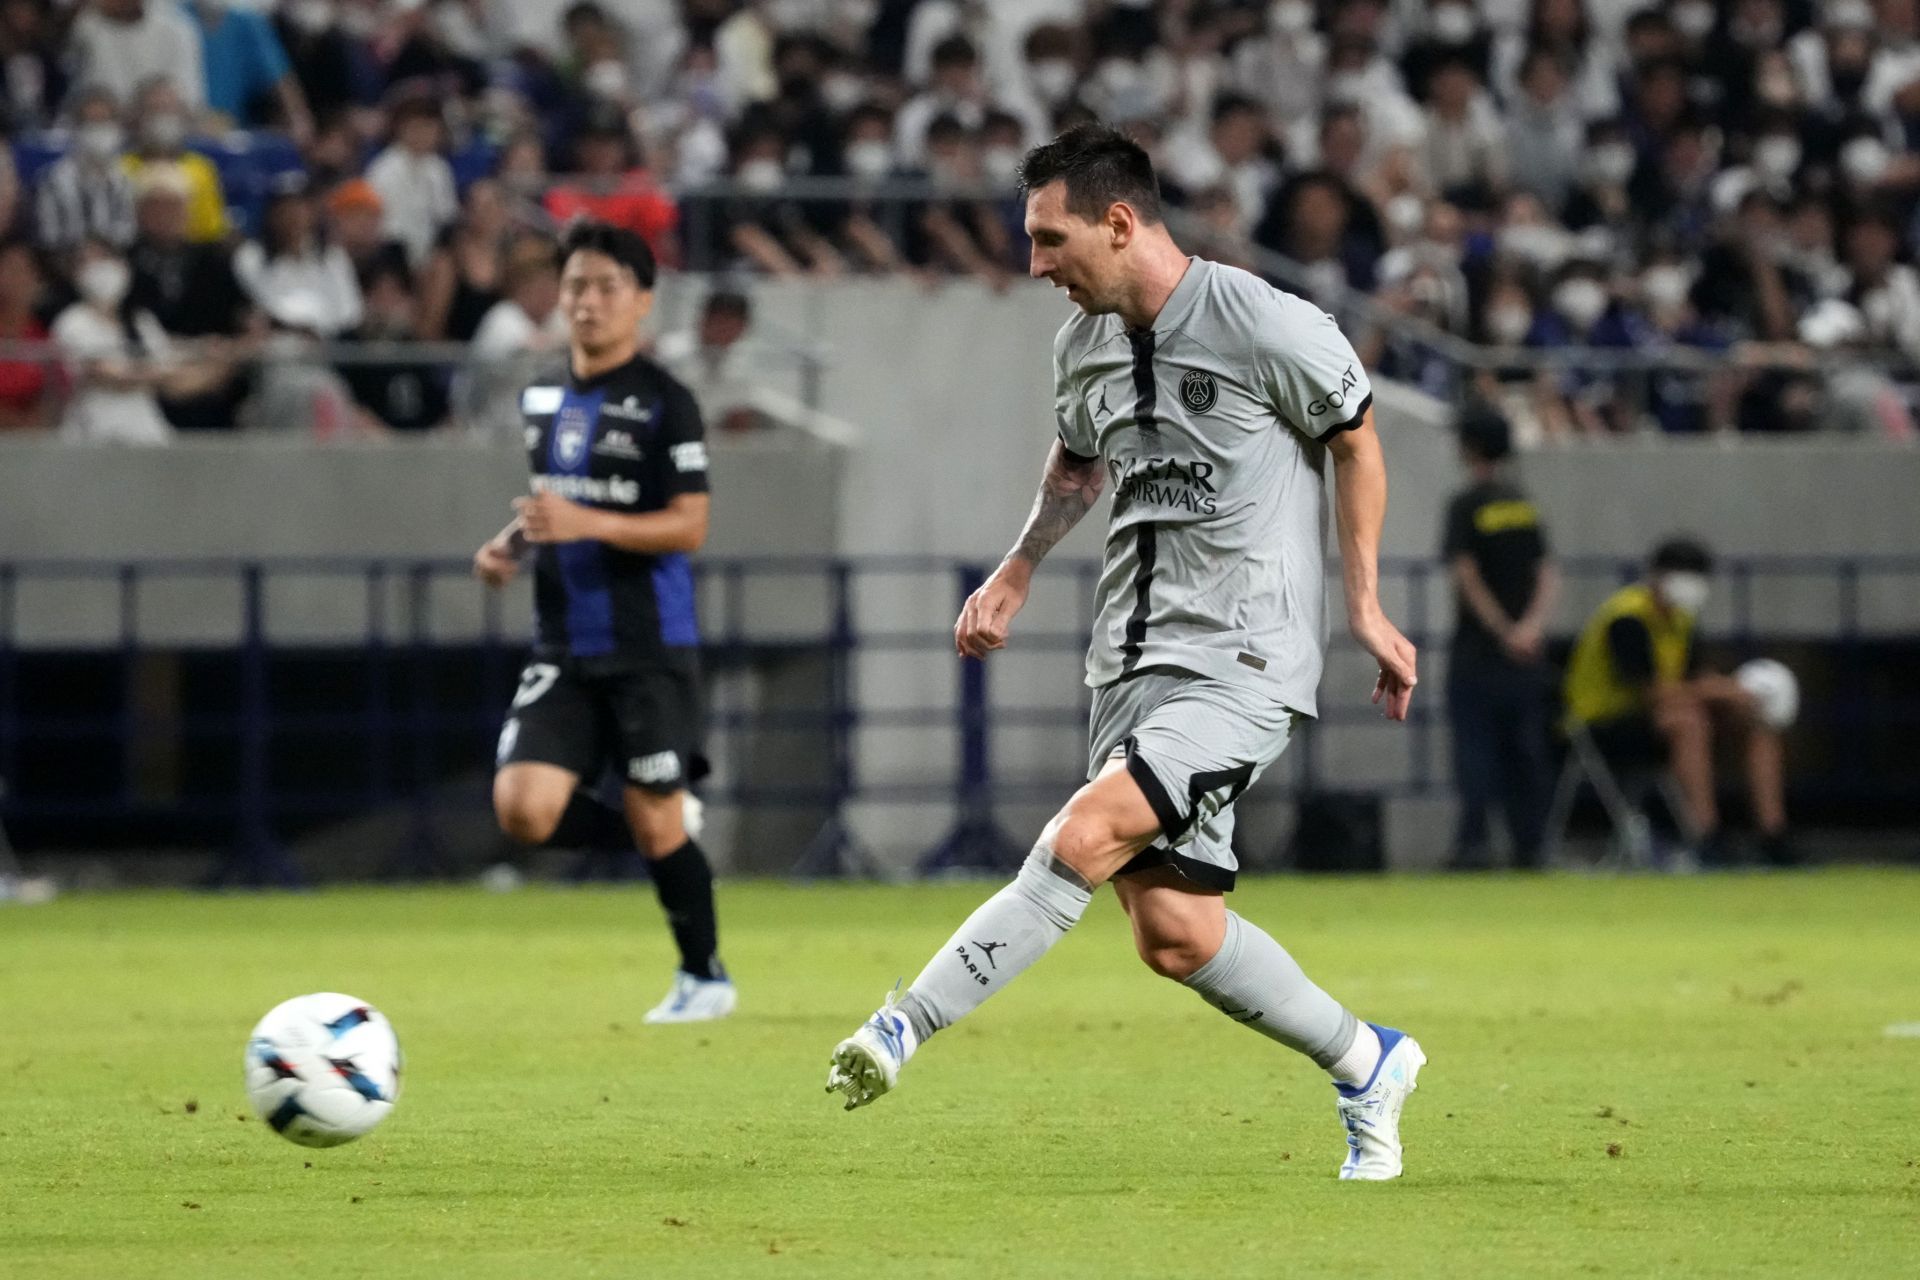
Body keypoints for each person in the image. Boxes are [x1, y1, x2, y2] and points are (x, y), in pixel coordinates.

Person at [824, 124, 1426, 1181]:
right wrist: (1017, 568)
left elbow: (1357, 438)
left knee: (1082, 831)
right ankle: (1366, 1057)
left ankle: (900, 1024)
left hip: (1242, 659)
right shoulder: (1083, 346)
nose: (1035, 263)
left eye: (1050, 239)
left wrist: (1366, 607)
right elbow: (1076, 460)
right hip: (1127, 665)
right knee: (1177, 934)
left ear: (1118, 221)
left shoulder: (1263, 320)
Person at [472, 220, 733, 1024]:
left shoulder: (668, 403)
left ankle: (705, 978)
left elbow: (688, 527)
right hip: (563, 642)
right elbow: (558, 501)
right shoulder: (542, 394)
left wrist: (583, 522)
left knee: (657, 824)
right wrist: (513, 540)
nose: (587, 302)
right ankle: (661, 822)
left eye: (606, 287)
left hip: (649, 646)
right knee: (522, 809)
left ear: (642, 303)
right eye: (576, 285)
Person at [1563, 538, 1797, 866]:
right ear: (1657, 576)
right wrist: (1720, 690)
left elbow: (1693, 678)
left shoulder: (1682, 621)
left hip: (1661, 718)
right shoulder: (1627, 617)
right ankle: (1706, 835)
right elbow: (1652, 690)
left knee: (1755, 717)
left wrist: (1737, 694)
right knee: (1689, 722)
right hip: (1605, 726)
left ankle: (1773, 835)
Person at [1440, 408, 1557, 870]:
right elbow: (1547, 573)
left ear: (1469, 447)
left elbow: (1465, 576)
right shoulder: (1523, 503)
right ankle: (1531, 846)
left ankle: (1474, 848)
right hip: (1526, 657)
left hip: (1479, 653)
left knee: (1475, 753)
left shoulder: (1466, 504)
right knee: (1526, 752)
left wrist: (1503, 631)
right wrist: (1531, 628)